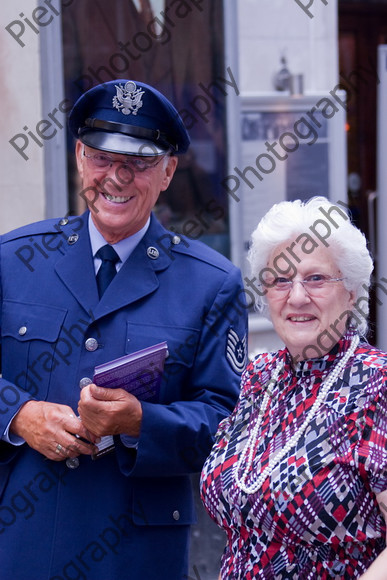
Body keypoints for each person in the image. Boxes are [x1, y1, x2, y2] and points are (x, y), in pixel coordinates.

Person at [0, 79, 248, 579]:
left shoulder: (211, 284)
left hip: (136, 555)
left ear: (168, 172)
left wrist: (141, 422)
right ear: (78, 157)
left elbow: (229, 426)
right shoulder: (14, 259)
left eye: (138, 162)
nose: (115, 177)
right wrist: (18, 414)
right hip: (25, 543)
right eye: (100, 157)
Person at [200, 197, 387, 579]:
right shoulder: (257, 377)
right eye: (281, 279)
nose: (297, 296)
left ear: (350, 292)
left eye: (316, 279)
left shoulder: (376, 384)